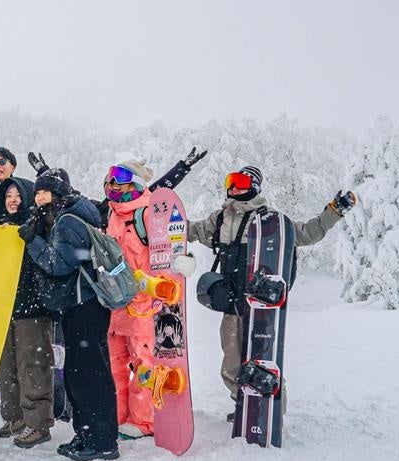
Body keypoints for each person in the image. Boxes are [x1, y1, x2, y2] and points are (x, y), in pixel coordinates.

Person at [187, 166, 357, 420]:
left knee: (261, 357)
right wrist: (165, 220)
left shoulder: (269, 220)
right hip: (232, 303)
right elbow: (193, 231)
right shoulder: (220, 218)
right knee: (231, 362)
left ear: (254, 186)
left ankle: (272, 406)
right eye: (230, 181)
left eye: (240, 181)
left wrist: (332, 212)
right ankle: (243, 402)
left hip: (261, 305)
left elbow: (306, 233)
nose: (233, 187)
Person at [100, 152, 205, 440]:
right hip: (115, 304)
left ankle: (144, 420)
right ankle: (117, 414)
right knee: (114, 364)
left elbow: (171, 244)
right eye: (109, 177)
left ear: (134, 182)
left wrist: (186, 261)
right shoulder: (111, 214)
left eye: (120, 178)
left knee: (144, 363)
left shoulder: (149, 211)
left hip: (144, 305)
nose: (113, 184)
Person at [19, 168, 120, 461]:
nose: (39, 198)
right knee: (82, 374)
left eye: (44, 192)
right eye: (37, 192)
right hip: (82, 307)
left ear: (58, 194)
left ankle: (102, 441)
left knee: (90, 376)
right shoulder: (69, 215)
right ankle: (87, 434)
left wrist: (32, 241)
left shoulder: (67, 222)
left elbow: (57, 264)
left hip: (84, 307)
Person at [0, 177, 55, 449]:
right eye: (7, 195)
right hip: (3, 308)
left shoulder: (38, 224)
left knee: (33, 366)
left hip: (31, 308)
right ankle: (14, 418)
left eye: (17, 195)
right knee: (7, 369)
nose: (12, 200)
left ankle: (38, 423)